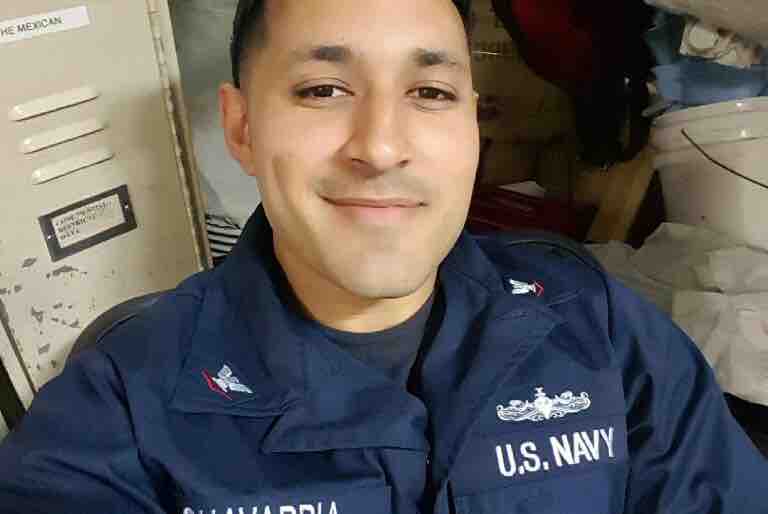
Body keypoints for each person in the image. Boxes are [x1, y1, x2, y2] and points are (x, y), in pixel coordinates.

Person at [0, 1, 765, 513]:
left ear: (471, 124)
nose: (381, 146)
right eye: (324, 89)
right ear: (242, 129)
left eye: (430, 92)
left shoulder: (600, 329)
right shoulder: (122, 410)